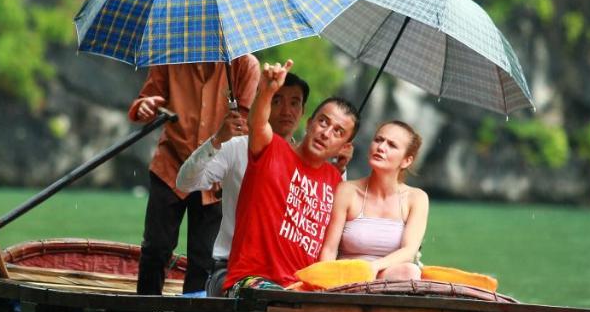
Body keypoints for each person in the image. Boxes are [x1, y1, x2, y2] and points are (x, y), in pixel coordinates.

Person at [223, 60, 360, 293]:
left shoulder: (336, 181)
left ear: (344, 146)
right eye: (323, 122)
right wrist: (267, 91)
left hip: (303, 288)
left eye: (338, 132)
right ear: (309, 123)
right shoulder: (271, 148)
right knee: (283, 301)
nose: (326, 133)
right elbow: (256, 123)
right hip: (251, 281)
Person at [128, 58, 260, 295]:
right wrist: (146, 105)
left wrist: (236, 123)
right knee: (156, 248)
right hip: (171, 165)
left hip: (216, 173)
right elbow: (145, 103)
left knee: (204, 257)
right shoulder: (170, 56)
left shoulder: (244, 65)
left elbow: (250, 124)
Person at [175, 71, 311, 293]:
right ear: (263, 103)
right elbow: (185, 182)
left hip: (289, 273)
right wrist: (218, 140)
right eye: (276, 100)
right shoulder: (237, 148)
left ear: (304, 111)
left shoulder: (310, 164)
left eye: (294, 103)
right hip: (233, 270)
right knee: (271, 297)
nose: (286, 111)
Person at [318, 120, 429, 281]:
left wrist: (373, 267)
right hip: (348, 277)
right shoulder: (347, 191)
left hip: (386, 278)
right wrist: (323, 283)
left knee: (409, 272)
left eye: (392, 145)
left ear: (406, 161)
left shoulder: (416, 198)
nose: (381, 147)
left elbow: (409, 251)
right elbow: (329, 250)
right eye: (378, 139)